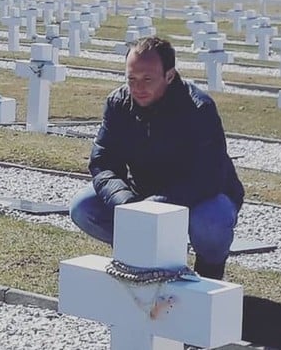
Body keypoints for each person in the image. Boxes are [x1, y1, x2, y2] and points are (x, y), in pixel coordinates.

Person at [69, 36, 244, 279]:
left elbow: (208, 176)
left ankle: (208, 278)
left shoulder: (198, 109)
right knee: (83, 207)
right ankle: (142, 258)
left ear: (169, 76)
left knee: (212, 222)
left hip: (200, 197)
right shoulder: (118, 103)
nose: (138, 87)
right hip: (140, 192)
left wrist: (155, 205)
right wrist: (126, 204)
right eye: (132, 79)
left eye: (148, 79)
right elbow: (103, 162)